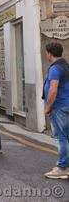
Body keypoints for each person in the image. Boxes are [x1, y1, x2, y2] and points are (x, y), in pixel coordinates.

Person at [43, 42, 69, 179]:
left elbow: (53, 89)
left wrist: (48, 107)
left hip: (58, 107)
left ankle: (61, 168)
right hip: (67, 104)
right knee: (67, 137)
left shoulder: (55, 68)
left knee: (61, 138)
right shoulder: (66, 66)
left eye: (46, 53)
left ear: (50, 54)